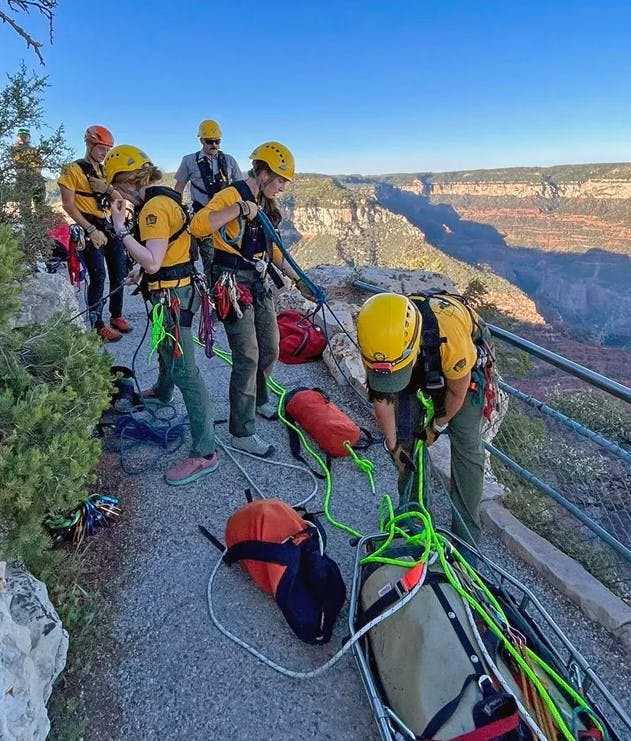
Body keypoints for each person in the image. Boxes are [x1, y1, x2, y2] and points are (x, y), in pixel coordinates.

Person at [190, 141, 317, 458]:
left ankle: (260, 399)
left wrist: (300, 279)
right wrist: (238, 209)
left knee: (270, 346)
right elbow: (198, 225)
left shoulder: (265, 201)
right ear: (262, 173)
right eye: (280, 179)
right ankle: (241, 432)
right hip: (231, 281)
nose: (284, 187)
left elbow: (272, 249)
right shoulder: (232, 195)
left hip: (257, 280)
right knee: (247, 355)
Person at [104, 144, 218, 486]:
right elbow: (162, 255)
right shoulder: (163, 200)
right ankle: (163, 391)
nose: (118, 195)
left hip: (173, 297)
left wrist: (120, 228)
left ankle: (205, 452)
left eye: (117, 189)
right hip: (171, 291)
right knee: (166, 348)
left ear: (127, 183)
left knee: (186, 370)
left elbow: (154, 259)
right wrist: (142, 270)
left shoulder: (152, 210)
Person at [356, 291, 496, 549]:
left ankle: (466, 540)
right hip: (416, 360)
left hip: (459, 374)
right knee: (406, 441)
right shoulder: (378, 340)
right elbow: (381, 394)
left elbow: (457, 392)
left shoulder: (450, 336)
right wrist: (393, 446)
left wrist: (437, 425)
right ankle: (414, 515)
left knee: (466, 446)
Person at [57, 125, 132, 342]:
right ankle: (97, 323)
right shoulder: (71, 170)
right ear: (89, 144)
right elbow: (68, 205)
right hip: (87, 223)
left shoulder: (104, 171)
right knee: (99, 275)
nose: (104, 153)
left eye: (108, 149)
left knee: (119, 272)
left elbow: (119, 200)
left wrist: (107, 189)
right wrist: (90, 229)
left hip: (105, 222)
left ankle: (116, 315)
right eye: (101, 148)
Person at [174, 120, 243, 280]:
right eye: (209, 141)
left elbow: (240, 187)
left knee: (229, 258)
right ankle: (214, 294)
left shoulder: (229, 161)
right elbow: (179, 187)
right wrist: (177, 211)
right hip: (203, 216)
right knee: (210, 259)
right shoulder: (189, 161)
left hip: (226, 218)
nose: (214, 145)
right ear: (201, 141)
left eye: (217, 141)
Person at [11, 128, 46, 216]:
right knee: (25, 208)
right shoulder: (15, 150)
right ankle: (29, 226)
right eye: (21, 136)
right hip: (25, 181)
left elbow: (40, 164)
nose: (23, 138)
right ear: (18, 137)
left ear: (28, 137)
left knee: (39, 207)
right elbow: (18, 165)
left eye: (25, 136)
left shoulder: (34, 150)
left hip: (35, 180)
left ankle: (38, 225)